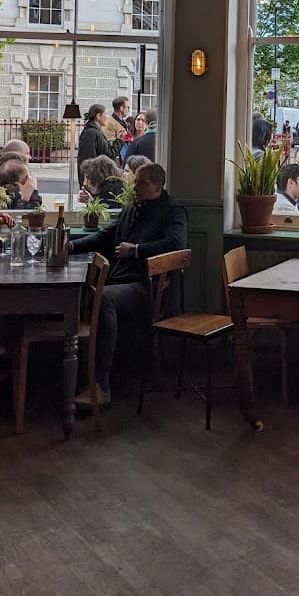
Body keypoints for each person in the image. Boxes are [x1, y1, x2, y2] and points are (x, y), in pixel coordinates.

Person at [71, 162, 188, 408]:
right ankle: (74, 375)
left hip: (147, 287)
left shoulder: (172, 211)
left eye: (141, 183)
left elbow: (176, 244)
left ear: (158, 185)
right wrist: (72, 246)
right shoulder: (132, 208)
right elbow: (106, 236)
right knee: (79, 291)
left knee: (103, 298)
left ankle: (101, 386)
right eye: (135, 181)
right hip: (121, 280)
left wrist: (136, 251)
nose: (135, 186)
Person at [78, 104, 112, 184]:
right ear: (98, 116)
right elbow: (89, 159)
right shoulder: (92, 133)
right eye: (106, 114)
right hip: (93, 180)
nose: (108, 117)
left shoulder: (94, 132)